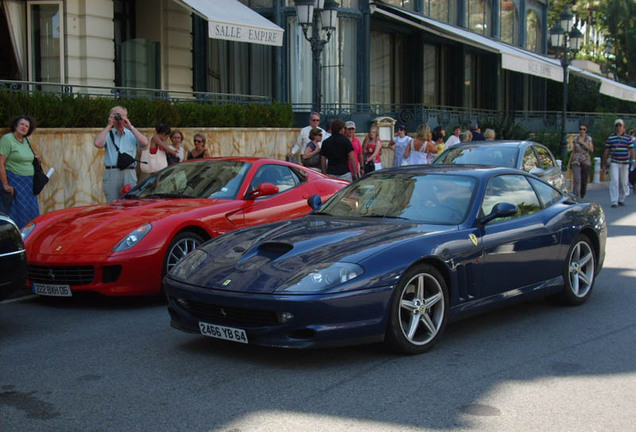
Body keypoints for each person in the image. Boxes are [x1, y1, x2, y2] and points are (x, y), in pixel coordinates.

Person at [94, 106, 149, 202]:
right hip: (112, 172)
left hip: (129, 171)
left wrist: (130, 126)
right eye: (116, 116)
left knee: (130, 202)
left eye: (122, 116)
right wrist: (109, 125)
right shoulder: (108, 134)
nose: (119, 119)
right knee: (112, 203)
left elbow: (145, 143)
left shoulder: (131, 134)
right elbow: (98, 144)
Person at [0, 115, 41, 228]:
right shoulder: (7, 139)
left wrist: (36, 159)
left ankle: (29, 237)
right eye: (22, 124)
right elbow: (0, 162)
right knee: (17, 212)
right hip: (15, 182)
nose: (24, 127)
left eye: (27, 126)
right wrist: (5, 184)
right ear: (16, 125)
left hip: (29, 184)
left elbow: (26, 157)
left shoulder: (25, 140)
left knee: (30, 211)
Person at [602, 119, 635, 208]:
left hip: (625, 163)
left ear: (624, 127)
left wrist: (634, 161)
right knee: (615, 181)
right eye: (617, 126)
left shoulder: (628, 138)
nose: (619, 127)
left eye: (620, 126)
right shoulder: (611, 138)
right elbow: (607, 151)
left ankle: (621, 198)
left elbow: (632, 150)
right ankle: (614, 201)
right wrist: (604, 163)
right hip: (614, 162)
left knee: (624, 182)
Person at [570, 123, 594, 199]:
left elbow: (591, 149)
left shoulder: (588, 139)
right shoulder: (575, 139)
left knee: (584, 179)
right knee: (577, 178)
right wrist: (569, 162)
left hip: (585, 159)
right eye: (580, 129)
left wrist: (582, 143)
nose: (582, 131)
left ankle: (582, 193)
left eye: (584, 129)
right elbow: (573, 151)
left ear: (586, 130)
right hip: (576, 159)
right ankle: (575, 195)